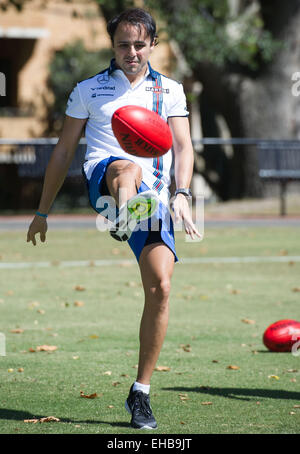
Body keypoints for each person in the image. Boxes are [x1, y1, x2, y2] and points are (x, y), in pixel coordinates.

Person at [26, 7, 201, 430]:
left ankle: (139, 394)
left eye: (140, 44)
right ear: (113, 46)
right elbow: (64, 151)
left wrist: (181, 195)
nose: (132, 52)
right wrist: (42, 211)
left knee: (161, 286)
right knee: (127, 168)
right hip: (105, 184)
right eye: (123, 44)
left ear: (153, 45)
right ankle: (121, 215)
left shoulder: (171, 91)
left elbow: (183, 146)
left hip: (154, 200)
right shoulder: (89, 90)